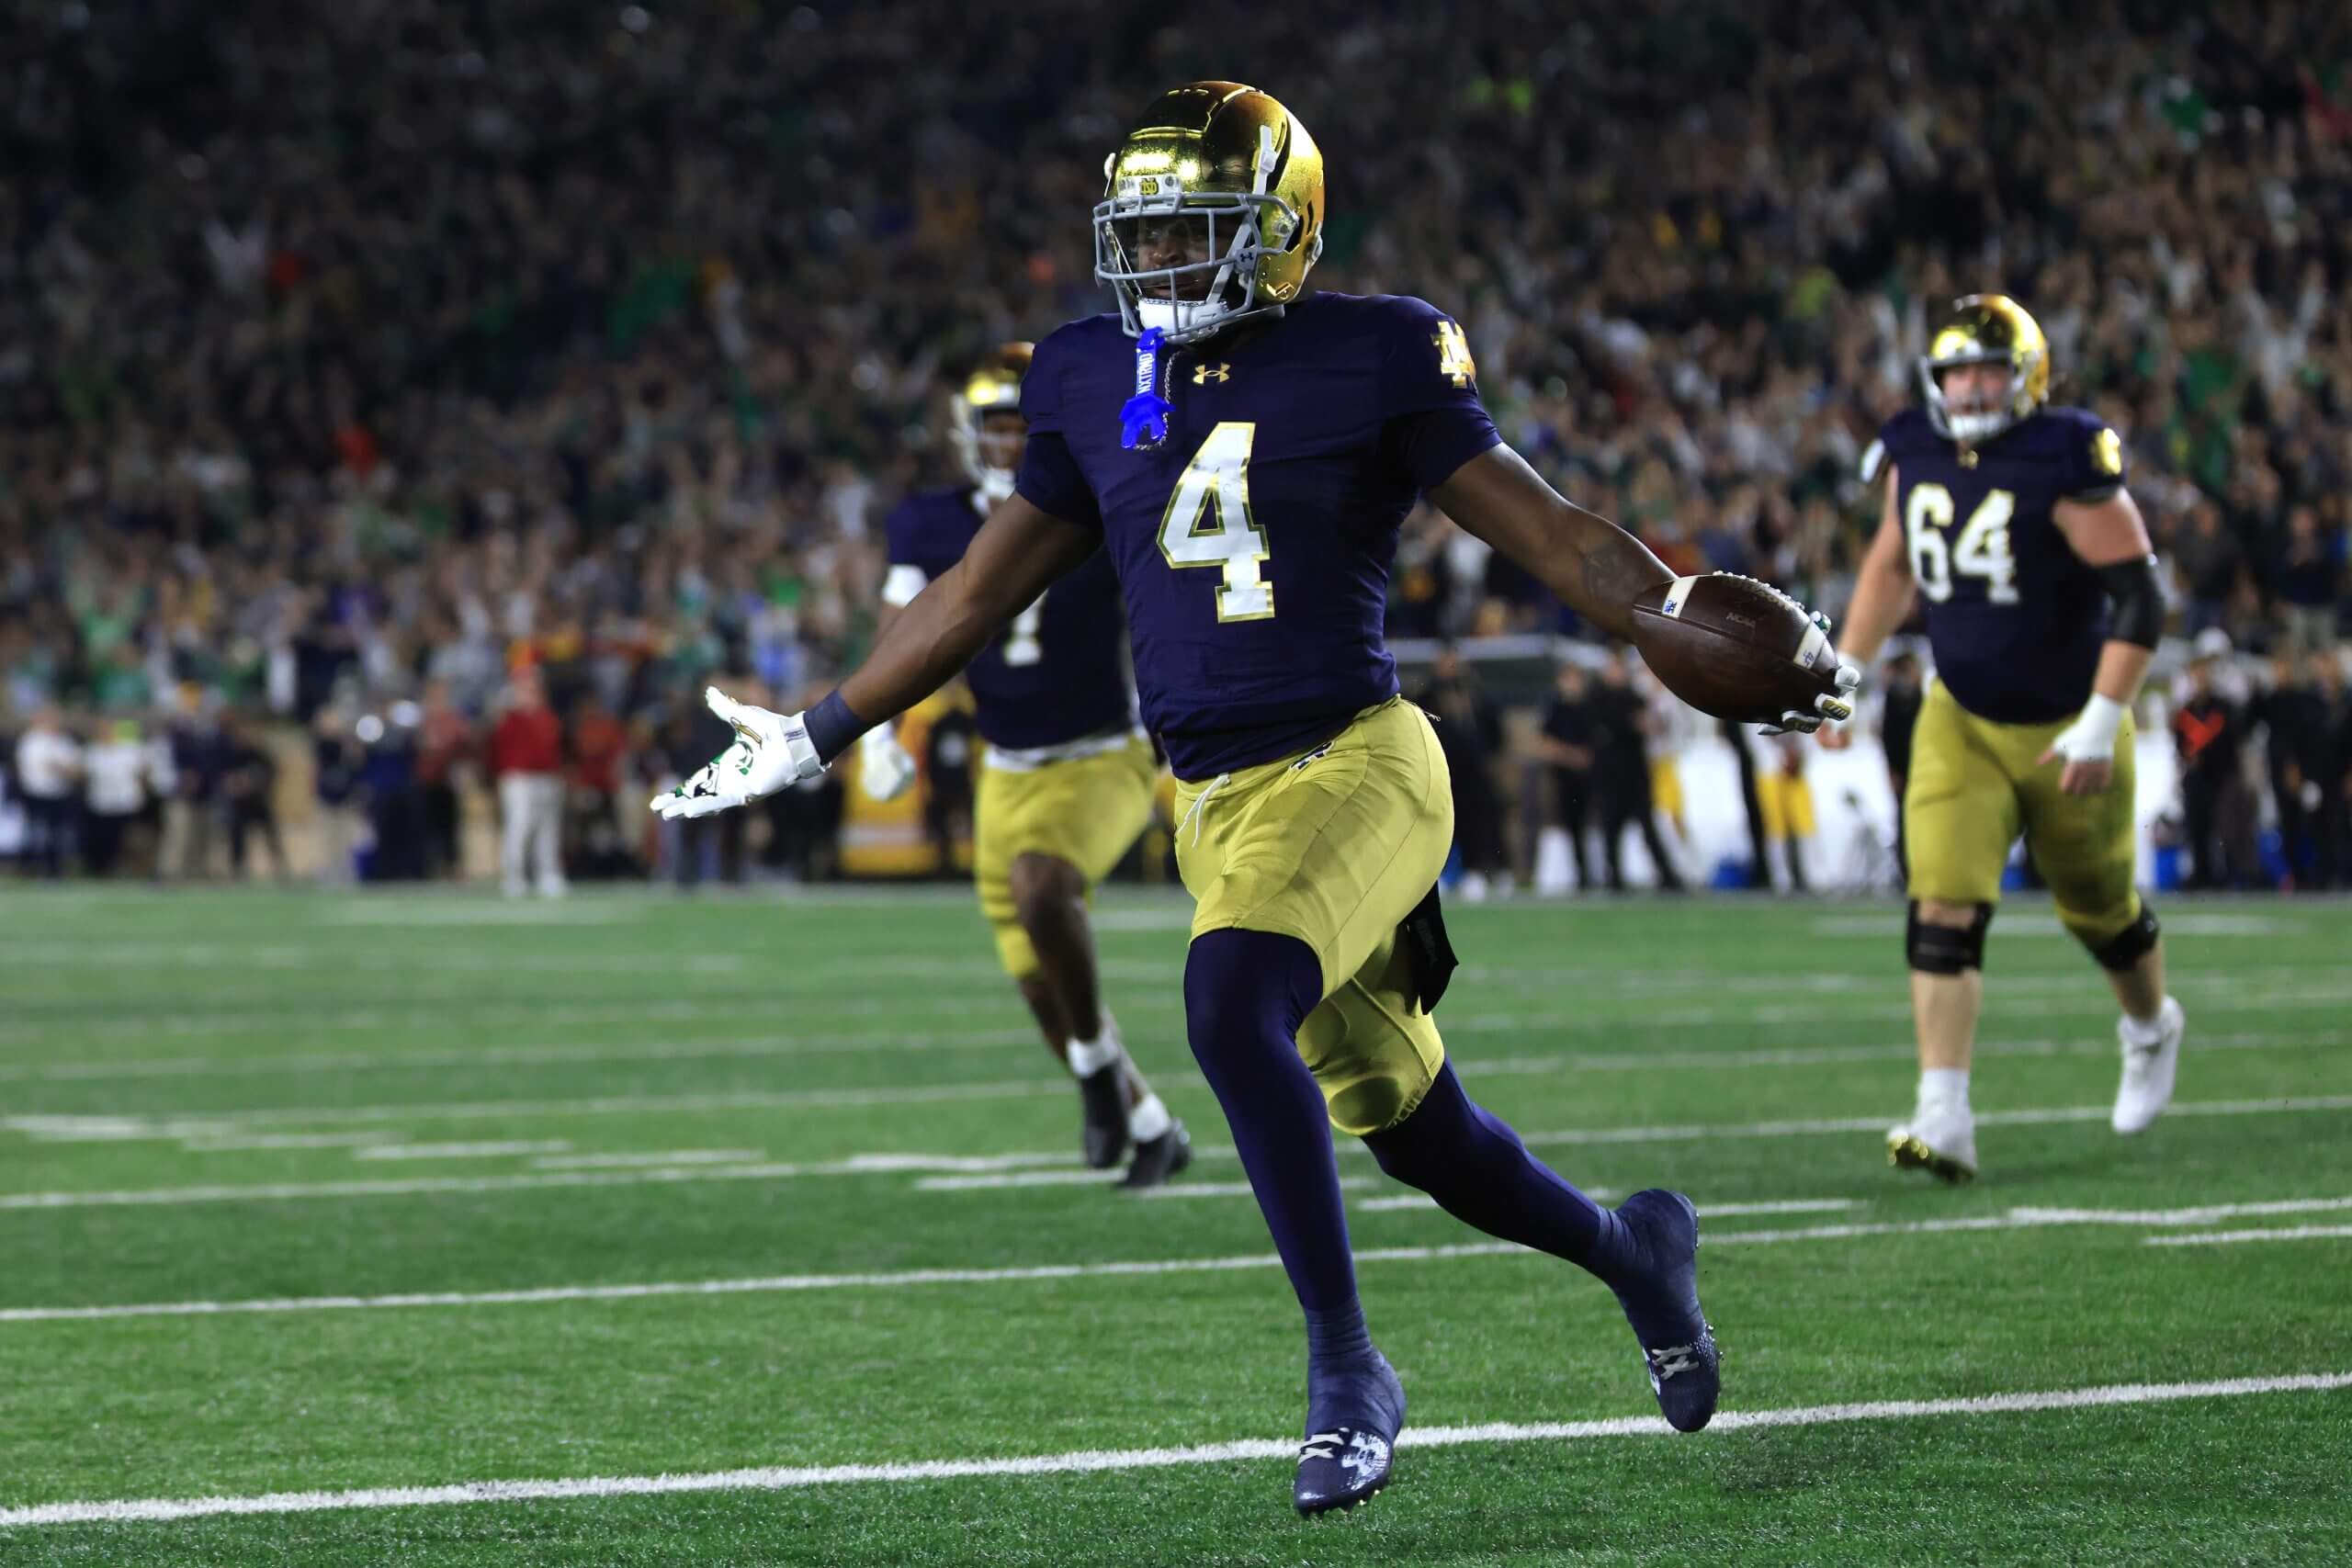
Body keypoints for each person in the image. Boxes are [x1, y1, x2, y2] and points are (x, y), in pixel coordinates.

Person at [653, 83, 1852, 1514]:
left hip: (1360, 759)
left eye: (1192, 234)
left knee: (1227, 999)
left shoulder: (1378, 349)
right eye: (1142, 237)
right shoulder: (1089, 372)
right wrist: (818, 729)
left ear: (1283, 232)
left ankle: (1349, 1366)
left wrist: (1666, 611)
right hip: (1213, 798)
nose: (1158, 265)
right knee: (1418, 1132)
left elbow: (1545, 528)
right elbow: (979, 591)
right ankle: (1632, 1245)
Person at [1836, 295, 2184, 1185]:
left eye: (1990, 368)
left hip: (2072, 723)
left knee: (2100, 913)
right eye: (1958, 370)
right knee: (1941, 903)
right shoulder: (1912, 446)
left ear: (2027, 375)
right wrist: (1847, 669)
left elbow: (2141, 598)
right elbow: (1889, 560)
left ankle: (2149, 1026)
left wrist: (2104, 723)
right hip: (1960, 715)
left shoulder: (2062, 452)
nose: (1973, 385)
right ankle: (1943, 1111)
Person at [864, 345, 1187, 1186]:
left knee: (1047, 887)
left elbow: (1158, 604)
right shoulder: (929, 520)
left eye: (1020, 429)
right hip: (1001, 767)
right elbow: (902, 626)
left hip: (1100, 757)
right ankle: (1149, 1121)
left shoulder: (1089, 506)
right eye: (993, 429)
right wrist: (875, 734)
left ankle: (1093, 1077)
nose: (1007, 446)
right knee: (1036, 979)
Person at [1415, 642, 1508, 899]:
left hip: (1475, 775)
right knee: (1438, 827)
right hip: (1440, 773)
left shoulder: (1476, 694)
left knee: (1476, 824)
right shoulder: (1426, 697)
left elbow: (1495, 734)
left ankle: (1477, 872)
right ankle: (1438, 876)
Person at [1590, 647, 1684, 891]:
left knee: (1647, 826)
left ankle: (1666, 875)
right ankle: (1614, 878)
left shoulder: (1635, 697)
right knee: (1612, 828)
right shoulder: (1599, 699)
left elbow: (1653, 726)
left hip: (1634, 773)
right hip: (1611, 774)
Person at [2173, 633, 2256, 890]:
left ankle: (2231, 877)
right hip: (2196, 777)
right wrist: (2188, 756)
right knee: (2198, 829)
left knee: (2228, 829)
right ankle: (2202, 875)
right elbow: (2179, 742)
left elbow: (2231, 738)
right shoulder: (2185, 710)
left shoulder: (2224, 706)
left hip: (2221, 775)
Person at [492, 669, 566, 898]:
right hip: (519, 779)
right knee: (519, 827)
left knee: (548, 829)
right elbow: (496, 746)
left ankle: (548, 874)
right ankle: (514, 876)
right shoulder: (510, 719)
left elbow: (555, 748)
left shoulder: (547, 718)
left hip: (547, 778)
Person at [1533, 661, 1600, 890]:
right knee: (1572, 826)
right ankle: (1582, 876)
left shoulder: (1589, 708)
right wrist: (1573, 757)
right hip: (1564, 778)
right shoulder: (1556, 709)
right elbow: (1545, 744)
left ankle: (1595, 874)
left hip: (1589, 778)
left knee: (1590, 825)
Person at [14, 705, 82, 879]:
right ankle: (32, 868)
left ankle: (55, 869)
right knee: (37, 832)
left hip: (60, 793)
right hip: (37, 793)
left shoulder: (64, 741)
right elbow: (34, 767)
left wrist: (63, 769)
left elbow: (75, 767)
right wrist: (59, 768)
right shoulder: (31, 740)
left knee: (58, 833)